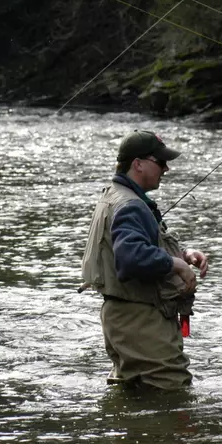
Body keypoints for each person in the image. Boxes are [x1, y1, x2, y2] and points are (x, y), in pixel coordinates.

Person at [80, 130, 209, 390]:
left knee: (133, 393)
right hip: (140, 318)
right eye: (160, 162)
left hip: (123, 318)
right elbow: (130, 258)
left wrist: (183, 255)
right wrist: (176, 265)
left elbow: (129, 247)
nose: (166, 169)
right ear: (138, 164)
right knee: (171, 392)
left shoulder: (114, 195)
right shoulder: (131, 205)